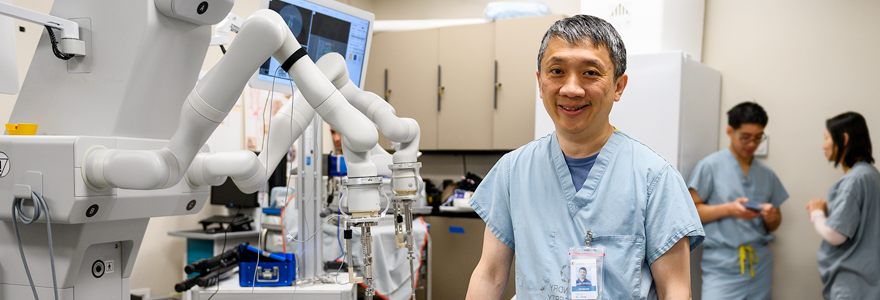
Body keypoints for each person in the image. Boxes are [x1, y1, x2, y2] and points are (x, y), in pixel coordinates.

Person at [465, 15, 704, 300]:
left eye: (590, 73)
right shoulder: (512, 171)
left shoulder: (655, 178)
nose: (571, 89)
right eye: (557, 71)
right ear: (540, 83)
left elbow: (675, 290)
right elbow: (490, 274)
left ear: (618, 86)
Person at [687, 102, 788, 299]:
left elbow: (776, 221)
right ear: (730, 131)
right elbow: (691, 211)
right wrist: (729, 209)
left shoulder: (766, 174)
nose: (752, 144)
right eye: (745, 137)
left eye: (758, 138)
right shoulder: (710, 166)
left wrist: (771, 217)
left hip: (759, 266)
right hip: (722, 266)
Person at [806, 112, 880, 299]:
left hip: (852, 286)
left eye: (827, 138)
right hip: (869, 284)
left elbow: (836, 235)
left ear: (844, 139)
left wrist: (816, 214)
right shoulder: (871, 174)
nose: (824, 146)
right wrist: (831, 211)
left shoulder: (853, 180)